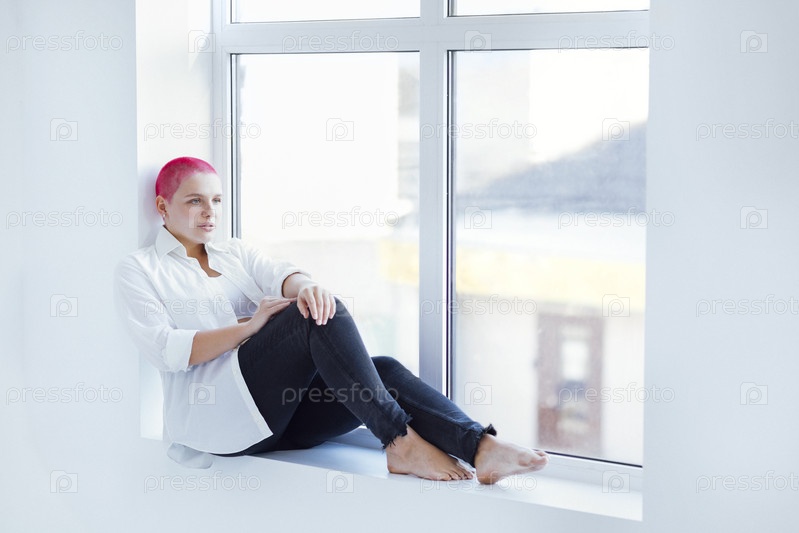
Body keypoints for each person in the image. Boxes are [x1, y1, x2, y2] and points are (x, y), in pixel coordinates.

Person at [114, 156, 548, 483]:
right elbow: (167, 350)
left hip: (279, 421)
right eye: (194, 201)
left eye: (215, 200)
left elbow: (280, 273)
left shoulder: (233, 252)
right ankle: (400, 442)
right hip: (218, 422)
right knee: (311, 318)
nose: (209, 211)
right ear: (163, 206)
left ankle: (480, 447)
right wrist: (249, 328)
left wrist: (307, 287)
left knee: (381, 368)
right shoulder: (139, 269)